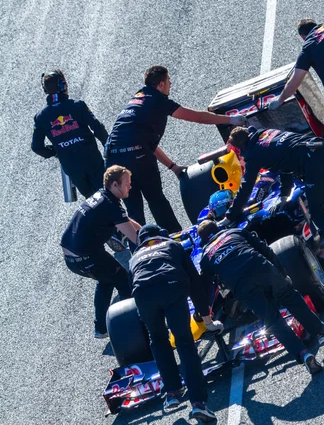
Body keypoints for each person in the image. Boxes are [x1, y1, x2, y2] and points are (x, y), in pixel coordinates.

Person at [222, 126, 324, 277]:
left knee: (318, 213)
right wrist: (284, 195)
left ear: (241, 147)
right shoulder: (265, 134)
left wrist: (230, 215)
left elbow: (246, 188)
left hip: (315, 162)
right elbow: (283, 164)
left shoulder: (253, 154)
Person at [105, 65, 246, 233]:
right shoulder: (158, 100)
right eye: (169, 82)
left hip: (114, 158)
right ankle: (176, 239)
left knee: (134, 209)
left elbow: (147, 144)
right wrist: (231, 120)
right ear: (161, 85)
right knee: (156, 200)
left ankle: (140, 249)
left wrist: (173, 167)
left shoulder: (137, 99)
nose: (170, 84)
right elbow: (197, 117)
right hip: (136, 155)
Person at [198, 220, 324, 374]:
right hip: (261, 267)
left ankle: (303, 354)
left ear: (203, 241)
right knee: (290, 297)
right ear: (218, 229)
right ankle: (321, 332)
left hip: (241, 286)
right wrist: (283, 273)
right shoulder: (235, 232)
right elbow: (265, 249)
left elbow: (204, 289)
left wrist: (201, 314)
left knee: (272, 320)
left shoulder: (205, 257)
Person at [129, 224, 223, 422]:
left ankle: (172, 392)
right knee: (184, 342)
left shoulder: (134, 258)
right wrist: (207, 319)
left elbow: (137, 288)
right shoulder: (172, 245)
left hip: (143, 296)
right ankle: (198, 403)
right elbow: (196, 285)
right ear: (160, 236)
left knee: (157, 339)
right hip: (172, 287)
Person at [61, 165, 141, 338]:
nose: (130, 187)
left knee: (106, 279)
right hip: (86, 257)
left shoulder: (102, 196)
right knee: (124, 282)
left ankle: (101, 328)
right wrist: (158, 242)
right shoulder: (110, 206)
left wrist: (151, 231)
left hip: (73, 257)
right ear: (114, 185)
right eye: (127, 184)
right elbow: (136, 239)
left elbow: (127, 221)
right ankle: (133, 329)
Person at [32, 70, 109, 198]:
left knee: (93, 202)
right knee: (109, 198)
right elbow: (98, 128)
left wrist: (55, 151)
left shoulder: (40, 117)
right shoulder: (77, 105)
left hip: (72, 167)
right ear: (63, 86)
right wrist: (109, 146)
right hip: (92, 161)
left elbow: (37, 147)